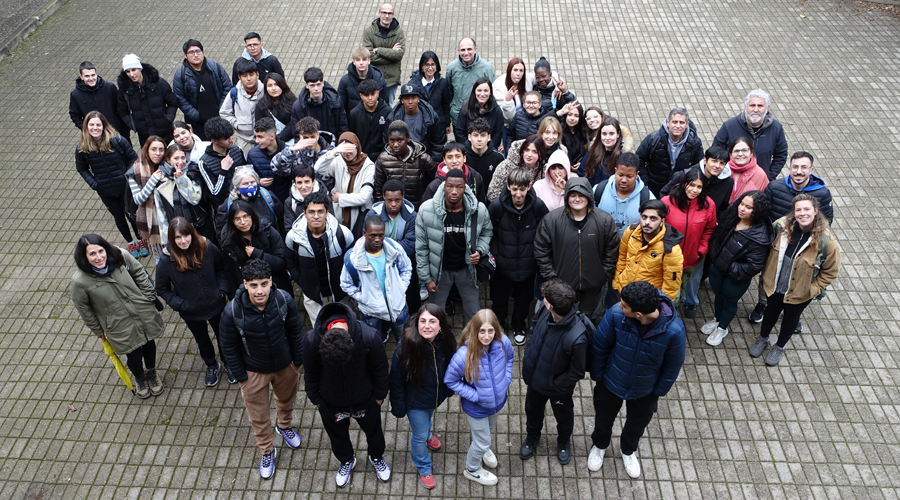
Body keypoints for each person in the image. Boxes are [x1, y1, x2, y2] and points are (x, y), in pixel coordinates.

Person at [588, 281, 686, 478]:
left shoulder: (674, 331)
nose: (619, 306)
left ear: (638, 314)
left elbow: (672, 366)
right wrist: (598, 377)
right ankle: (599, 446)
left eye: (624, 305)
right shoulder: (616, 314)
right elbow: (600, 347)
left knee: (636, 425)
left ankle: (628, 450)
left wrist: (657, 392)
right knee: (603, 418)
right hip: (610, 382)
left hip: (645, 390)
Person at [219, 259, 304, 479]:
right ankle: (267, 450)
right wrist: (241, 377)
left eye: (264, 284)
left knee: (286, 401)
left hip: (285, 366)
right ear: (245, 284)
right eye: (254, 285)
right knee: (258, 416)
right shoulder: (232, 312)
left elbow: (296, 331)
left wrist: (297, 361)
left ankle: (284, 427)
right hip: (253, 372)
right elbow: (228, 346)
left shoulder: (284, 300)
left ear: (271, 282)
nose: (260, 291)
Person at [304, 301, 391, 487]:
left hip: (365, 399)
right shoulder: (312, 341)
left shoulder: (370, 338)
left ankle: (376, 457)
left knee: (374, 432)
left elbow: (381, 371)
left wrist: (378, 397)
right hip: (330, 402)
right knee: (337, 435)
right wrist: (317, 400)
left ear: (351, 341)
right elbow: (310, 373)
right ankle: (346, 460)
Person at [70, 234, 165, 399]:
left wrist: (149, 296)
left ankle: (151, 372)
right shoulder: (80, 281)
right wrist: (97, 329)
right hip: (118, 324)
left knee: (149, 344)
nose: (99, 257)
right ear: (84, 256)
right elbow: (83, 307)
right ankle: (139, 377)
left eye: (101, 251)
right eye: (92, 254)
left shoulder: (121, 255)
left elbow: (139, 272)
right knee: (134, 356)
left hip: (141, 311)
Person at [751, 194, 840, 365]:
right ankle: (763, 338)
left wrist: (812, 290)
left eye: (807, 209)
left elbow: (830, 272)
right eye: (798, 209)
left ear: (815, 211)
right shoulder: (780, 227)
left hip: (800, 292)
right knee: (770, 312)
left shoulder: (827, 243)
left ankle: (780, 346)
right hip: (775, 285)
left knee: (791, 319)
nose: (802, 213)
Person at [749, 151, 835, 323]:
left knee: (797, 277)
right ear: (789, 168)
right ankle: (762, 304)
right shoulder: (775, 187)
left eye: (804, 167)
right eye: (795, 167)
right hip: (776, 244)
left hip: (804, 246)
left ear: (811, 169)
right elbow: (763, 212)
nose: (799, 171)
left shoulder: (822, 194)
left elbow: (826, 222)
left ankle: (791, 313)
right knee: (767, 275)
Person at [520, 279, 592, 465]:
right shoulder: (545, 310)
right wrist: (528, 352)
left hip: (557, 389)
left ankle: (563, 442)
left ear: (550, 304)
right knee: (532, 411)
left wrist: (554, 385)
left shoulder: (577, 337)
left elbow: (576, 372)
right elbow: (534, 328)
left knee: (564, 416)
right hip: (535, 381)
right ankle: (532, 437)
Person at [154, 217, 229, 386]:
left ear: (192, 234)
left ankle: (229, 362)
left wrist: (221, 290)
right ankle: (211, 365)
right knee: (202, 340)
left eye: (185, 236)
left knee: (224, 336)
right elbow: (162, 289)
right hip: (192, 313)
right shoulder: (166, 261)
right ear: (171, 240)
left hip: (217, 305)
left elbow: (221, 268)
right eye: (177, 238)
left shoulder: (207, 247)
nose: (183, 241)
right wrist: (181, 305)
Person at [390, 304, 456, 490]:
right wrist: (398, 407)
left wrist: (449, 390)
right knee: (418, 436)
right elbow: (395, 381)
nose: (427, 326)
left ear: (440, 325)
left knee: (428, 418)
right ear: (417, 323)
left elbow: (452, 368)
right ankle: (423, 466)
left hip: (435, 398)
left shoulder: (447, 342)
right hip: (415, 403)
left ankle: (428, 434)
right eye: (423, 321)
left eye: (432, 321)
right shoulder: (405, 349)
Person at [444, 309, 514, 486]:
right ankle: (472, 469)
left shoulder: (503, 342)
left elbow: (511, 359)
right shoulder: (463, 355)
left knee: (486, 433)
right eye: (482, 331)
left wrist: (506, 380)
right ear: (475, 330)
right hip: (477, 408)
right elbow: (450, 380)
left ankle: (482, 448)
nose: (487, 336)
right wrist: (476, 395)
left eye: (490, 331)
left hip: (496, 404)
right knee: (483, 441)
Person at [534, 178, 619, 318]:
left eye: (581, 195)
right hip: (561, 288)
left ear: (589, 197)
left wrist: (602, 274)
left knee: (586, 319)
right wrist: (552, 278)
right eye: (573, 195)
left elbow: (612, 249)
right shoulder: (551, 220)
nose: (577, 199)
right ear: (567, 197)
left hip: (592, 287)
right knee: (562, 320)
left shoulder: (604, 220)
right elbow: (541, 250)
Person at [415, 169, 492, 323]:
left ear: (466, 187)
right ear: (443, 186)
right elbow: (421, 247)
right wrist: (426, 278)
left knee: (473, 311)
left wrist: (480, 250)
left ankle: (475, 342)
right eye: (450, 186)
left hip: (467, 270)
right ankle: (436, 342)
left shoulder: (478, 210)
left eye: (459, 187)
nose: (454, 191)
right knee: (435, 313)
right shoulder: (426, 210)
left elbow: (487, 233)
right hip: (439, 272)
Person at [702, 191, 773, 347]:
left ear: (758, 211)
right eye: (742, 204)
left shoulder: (761, 237)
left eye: (748, 207)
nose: (741, 209)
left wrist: (727, 265)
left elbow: (754, 265)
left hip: (734, 278)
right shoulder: (731, 217)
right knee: (718, 296)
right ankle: (717, 319)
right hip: (717, 269)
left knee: (729, 301)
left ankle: (722, 328)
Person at [488, 167, 549, 345]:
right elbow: (489, 232)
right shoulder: (497, 206)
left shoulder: (538, 206)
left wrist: (536, 257)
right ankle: (498, 325)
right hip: (502, 266)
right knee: (499, 300)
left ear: (529, 187)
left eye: (522, 189)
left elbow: (545, 233)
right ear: (508, 187)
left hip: (528, 266)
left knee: (523, 300)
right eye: (514, 189)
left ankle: (518, 326)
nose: (518, 194)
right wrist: (497, 256)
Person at [74, 111, 142, 257]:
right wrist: (94, 183)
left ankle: (140, 240)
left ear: (104, 125)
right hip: (105, 191)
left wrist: (128, 176)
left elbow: (133, 159)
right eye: (91, 125)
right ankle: (130, 243)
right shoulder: (82, 147)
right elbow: (81, 168)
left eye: (98, 124)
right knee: (119, 218)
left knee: (132, 215)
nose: (95, 128)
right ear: (86, 126)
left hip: (125, 188)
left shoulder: (117, 140)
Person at [127, 137, 204, 256]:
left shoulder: (170, 169)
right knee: (163, 255)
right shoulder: (134, 172)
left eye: (161, 149)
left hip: (177, 218)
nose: (158, 153)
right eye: (153, 149)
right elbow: (138, 199)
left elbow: (193, 197)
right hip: (154, 219)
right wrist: (153, 180)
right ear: (146, 150)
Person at [285, 191, 354, 324]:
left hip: (340, 294)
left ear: (327, 212)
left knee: (345, 330)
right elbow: (290, 261)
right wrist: (302, 282)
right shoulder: (293, 237)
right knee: (320, 332)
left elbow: (353, 261)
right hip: (313, 296)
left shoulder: (342, 234)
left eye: (320, 211)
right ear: (304, 213)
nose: (316, 216)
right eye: (311, 212)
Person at [341, 215, 412, 341]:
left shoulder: (394, 248)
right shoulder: (353, 258)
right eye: (373, 235)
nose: (378, 239)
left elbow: (406, 268)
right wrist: (363, 298)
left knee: (405, 340)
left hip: (398, 306)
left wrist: (401, 289)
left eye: (381, 235)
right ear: (364, 233)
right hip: (371, 312)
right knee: (374, 342)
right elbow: (345, 283)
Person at [661, 167, 717, 315]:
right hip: (669, 259)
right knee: (671, 295)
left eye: (699, 186)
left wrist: (702, 249)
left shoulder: (708, 205)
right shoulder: (667, 202)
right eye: (691, 185)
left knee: (682, 288)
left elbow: (709, 229)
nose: (695, 190)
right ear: (683, 183)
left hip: (692, 259)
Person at [612, 200, 684, 301]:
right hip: (624, 291)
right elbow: (622, 259)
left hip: (647, 300)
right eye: (644, 217)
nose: (647, 222)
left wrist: (662, 305)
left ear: (662, 221)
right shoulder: (630, 233)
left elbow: (671, 284)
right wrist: (617, 283)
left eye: (653, 218)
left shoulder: (670, 249)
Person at [366, 179, 421, 312]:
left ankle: (415, 319)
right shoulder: (373, 215)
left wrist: (382, 244)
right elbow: (369, 242)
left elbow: (410, 245)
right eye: (389, 200)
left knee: (411, 292)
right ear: (383, 197)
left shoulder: (412, 216)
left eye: (397, 200)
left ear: (403, 196)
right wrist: (398, 243)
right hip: (379, 260)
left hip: (404, 260)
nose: (393, 204)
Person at [713, 89, 788, 180]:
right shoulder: (729, 126)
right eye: (752, 105)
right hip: (731, 181)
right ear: (745, 107)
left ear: (767, 108)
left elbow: (781, 155)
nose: (756, 109)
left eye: (760, 106)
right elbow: (716, 152)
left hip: (760, 182)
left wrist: (769, 176)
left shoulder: (776, 128)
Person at [220, 201, 292, 297]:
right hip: (247, 292)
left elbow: (282, 261)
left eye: (245, 216)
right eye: (237, 219)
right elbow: (229, 273)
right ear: (232, 221)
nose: (243, 222)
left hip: (275, 287)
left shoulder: (267, 231)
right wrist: (235, 296)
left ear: (252, 216)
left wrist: (259, 255)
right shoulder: (228, 242)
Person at [315, 132, 375, 237]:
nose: (346, 154)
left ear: (357, 146)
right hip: (340, 213)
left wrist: (340, 198)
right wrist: (333, 151)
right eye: (343, 150)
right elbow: (318, 169)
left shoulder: (368, 166)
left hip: (359, 214)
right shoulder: (339, 161)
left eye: (350, 149)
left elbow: (365, 197)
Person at [635, 107, 704, 197]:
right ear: (668, 123)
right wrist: (646, 181)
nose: (678, 126)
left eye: (682, 122)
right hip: (654, 188)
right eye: (674, 122)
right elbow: (638, 160)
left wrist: (687, 180)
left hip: (679, 189)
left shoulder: (694, 142)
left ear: (687, 124)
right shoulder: (653, 139)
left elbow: (699, 165)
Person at [172, 39, 233, 141]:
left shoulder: (215, 67)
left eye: (198, 51)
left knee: (223, 144)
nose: (195, 55)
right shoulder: (180, 75)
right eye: (191, 52)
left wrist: (222, 109)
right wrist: (196, 115)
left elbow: (227, 87)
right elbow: (180, 98)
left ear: (203, 52)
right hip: (199, 123)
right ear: (185, 55)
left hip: (219, 118)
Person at [116, 54, 179, 145]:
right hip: (145, 137)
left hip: (165, 133)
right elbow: (122, 111)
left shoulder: (159, 83)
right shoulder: (124, 90)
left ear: (140, 68)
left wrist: (167, 120)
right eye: (127, 71)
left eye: (134, 70)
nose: (131, 74)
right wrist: (135, 126)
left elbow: (173, 102)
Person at [373, 120, 437, 208]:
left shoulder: (423, 158)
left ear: (408, 138)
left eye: (400, 140)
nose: (395, 144)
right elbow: (378, 189)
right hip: (392, 209)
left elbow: (434, 184)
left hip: (418, 208)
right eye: (392, 140)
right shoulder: (383, 159)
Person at [660, 145, 733, 217]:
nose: (717, 166)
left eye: (722, 163)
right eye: (714, 161)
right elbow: (664, 194)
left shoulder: (728, 182)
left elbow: (723, 208)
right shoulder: (684, 175)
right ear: (705, 160)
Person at [271, 116, 336, 196]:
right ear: (300, 136)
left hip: (325, 199)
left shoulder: (332, 152)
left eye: (312, 137)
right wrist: (293, 150)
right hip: (301, 198)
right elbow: (276, 168)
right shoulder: (294, 152)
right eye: (306, 137)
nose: (310, 140)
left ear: (318, 134)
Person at [593, 152, 655, 236]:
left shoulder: (647, 197)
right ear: (615, 171)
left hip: (631, 247)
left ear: (636, 175)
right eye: (620, 175)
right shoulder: (599, 190)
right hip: (602, 246)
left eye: (629, 176)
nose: (624, 180)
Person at [215, 166, 283, 240]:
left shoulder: (267, 196)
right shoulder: (229, 204)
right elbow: (221, 233)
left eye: (252, 182)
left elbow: (282, 220)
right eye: (245, 183)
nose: (250, 186)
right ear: (237, 185)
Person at [198, 117, 247, 211]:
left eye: (231, 136)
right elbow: (214, 192)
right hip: (225, 207)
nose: (231, 140)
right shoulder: (204, 162)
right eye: (226, 138)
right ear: (214, 140)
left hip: (244, 201)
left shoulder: (237, 150)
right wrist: (223, 171)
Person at [389, 83, 446, 162]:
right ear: (401, 100)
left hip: (424, 158)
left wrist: (432, 164)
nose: (410, 101)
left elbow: (438, 144)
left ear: (418, 99)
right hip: (401, 159)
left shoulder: (431, 116)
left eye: (413, 98)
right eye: (406, 98)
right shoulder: (393, 118)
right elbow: (388, 144)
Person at [70, 61, 128, 139]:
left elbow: (121, 107)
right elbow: (75, 115)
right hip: (95, 136)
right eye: (87, 76)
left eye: (93, 75)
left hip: (116, 132)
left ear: (96, 73)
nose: (91, 78)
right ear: (81, 77)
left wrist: (123, 127)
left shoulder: (109, 87)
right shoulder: (76, 95)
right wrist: (87, 129)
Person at [362, 3, 406, 103]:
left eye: (390, 13)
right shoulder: (369, 32)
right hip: (374, 78)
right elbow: (369, 57)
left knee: (389, 106)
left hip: (391, 80)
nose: (387, 16)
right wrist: (391, 55)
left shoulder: (399, 32)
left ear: (393, 15)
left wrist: (378, 50)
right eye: (384, 13)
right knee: (373, 105)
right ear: (379, 13)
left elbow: (398, 55)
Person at [288, 67, 348, 141]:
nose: (316, 88)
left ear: (323, 83)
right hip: (310, 146)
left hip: (332, 144)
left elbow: (343, 127)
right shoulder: (298, 107)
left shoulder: (335, 101)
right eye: (312, 85)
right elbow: (297, 133)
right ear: (306, 85)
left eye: (318, 84)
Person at [446, 38, 495, 125]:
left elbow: (493, 92)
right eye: (462, 50)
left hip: (480, 118)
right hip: (458, 117)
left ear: (475, 49)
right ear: (458, 51)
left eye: (469, 49)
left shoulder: (487, 68)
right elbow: (449, 90)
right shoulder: (451, 68)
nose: (466, 53)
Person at [219, 58, 264, 155]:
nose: (248, 79)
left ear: (257, 74)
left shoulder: (265, 91)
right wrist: (236, 124)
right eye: (244, 76)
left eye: (251, 75)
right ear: (239, 77)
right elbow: (224, 113)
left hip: (264, 138)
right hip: (244, 139)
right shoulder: (234, 93)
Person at [487, 135, 546, 202]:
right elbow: (492, 193)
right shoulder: (506, 166)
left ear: (540, 153)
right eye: (527, 150)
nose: (529, 154)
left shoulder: (543, 170)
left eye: (534, 152)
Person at [454, 77, 505, 152]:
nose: (482, 94)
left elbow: (498, 134)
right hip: (468, 152)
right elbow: (459, 132)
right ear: (474, 91)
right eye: (479, 90)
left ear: (490, 92)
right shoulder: (465, 109)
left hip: (488, 152)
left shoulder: (496, 111)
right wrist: (468, 149)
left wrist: (488, 150)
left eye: (486, 90)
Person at [408, 51, 452, 132]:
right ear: (422, 66)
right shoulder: (413, 84)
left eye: (433, 64)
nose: (430, 68)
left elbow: (445, 105)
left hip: (438, 124)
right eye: (427, 64)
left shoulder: (443, 83)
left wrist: (447, 124)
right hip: (420, 124)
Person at [348, 79, 392, 160]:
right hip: (362, 157)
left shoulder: (387, 111)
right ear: (361, 95)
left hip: (384, 156)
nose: (370, 98)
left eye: (373, 94)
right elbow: (353, 136)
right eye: (366, 95)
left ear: (378, 93)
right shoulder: (354, 114)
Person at [338, 47, 388, 117]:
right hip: (354, 122)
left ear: (369, 61)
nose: (361, 63)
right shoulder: (345, 81)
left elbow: (385, 101)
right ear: (354, 62)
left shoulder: (378, 78)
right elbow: (341, 106)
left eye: (364, 60)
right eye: (358, 60)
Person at [282, 164, 334, 231]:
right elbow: (289, 228)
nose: (303, 187)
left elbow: (331, 224)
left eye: (307, 182)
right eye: (299, 183)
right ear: (295, 184)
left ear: (313, 182)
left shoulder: (326, 199)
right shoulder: (290, 202)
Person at [246, 117, 286, 201]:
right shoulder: (252, 154)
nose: (256, 141)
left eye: (260, 137)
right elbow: (248, 177)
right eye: (256, 136)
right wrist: (258, 182)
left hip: (285, 198)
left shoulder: (287, 152)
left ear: (272, 136)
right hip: (264, 199)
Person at [579, 116, 624, 186]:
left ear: (618, 134)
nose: (607, 138)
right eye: (604, 134)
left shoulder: (621, 158)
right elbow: (581, 172)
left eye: (611, 134)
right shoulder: (593, 151)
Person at [254, 73, 297, 144]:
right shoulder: (261, 106)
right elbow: (260, 128)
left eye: (276, 84)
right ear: (266, 88)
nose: (273, 88)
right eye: (270, 85)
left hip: (292, 141)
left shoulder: (293, 101)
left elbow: (295, 122)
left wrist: (279, 139)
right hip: (271, 144)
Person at [726, 137, 770, 204]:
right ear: (730, 154)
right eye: (736, 151)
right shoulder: (723, 170)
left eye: (744, 150)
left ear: (751, 153)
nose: (740, 154)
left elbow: (764, 201)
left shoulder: (760, 174)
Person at [465, 118, 505, 189]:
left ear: (489, 137)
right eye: (475, 135)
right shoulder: (462, 157)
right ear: (469, 137)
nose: (479, 139)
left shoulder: (498, 158)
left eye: (483, 135)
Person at [493, 58, 529, 133]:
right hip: (508, 127)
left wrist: (558, 85)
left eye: (521, 70)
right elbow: (507, 118)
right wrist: (508, 102)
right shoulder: (499, 86)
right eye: (515, 70)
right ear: (509, 71)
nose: (518, 74)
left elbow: (543, 75)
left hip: (526, 124)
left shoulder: (527, 80)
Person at [562, 103, 589, 168]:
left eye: (576, 115)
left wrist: (582, 163)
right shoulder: (559, 130)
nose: (572, 118)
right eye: (569, 114)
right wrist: (560, 112)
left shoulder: (583, 131)